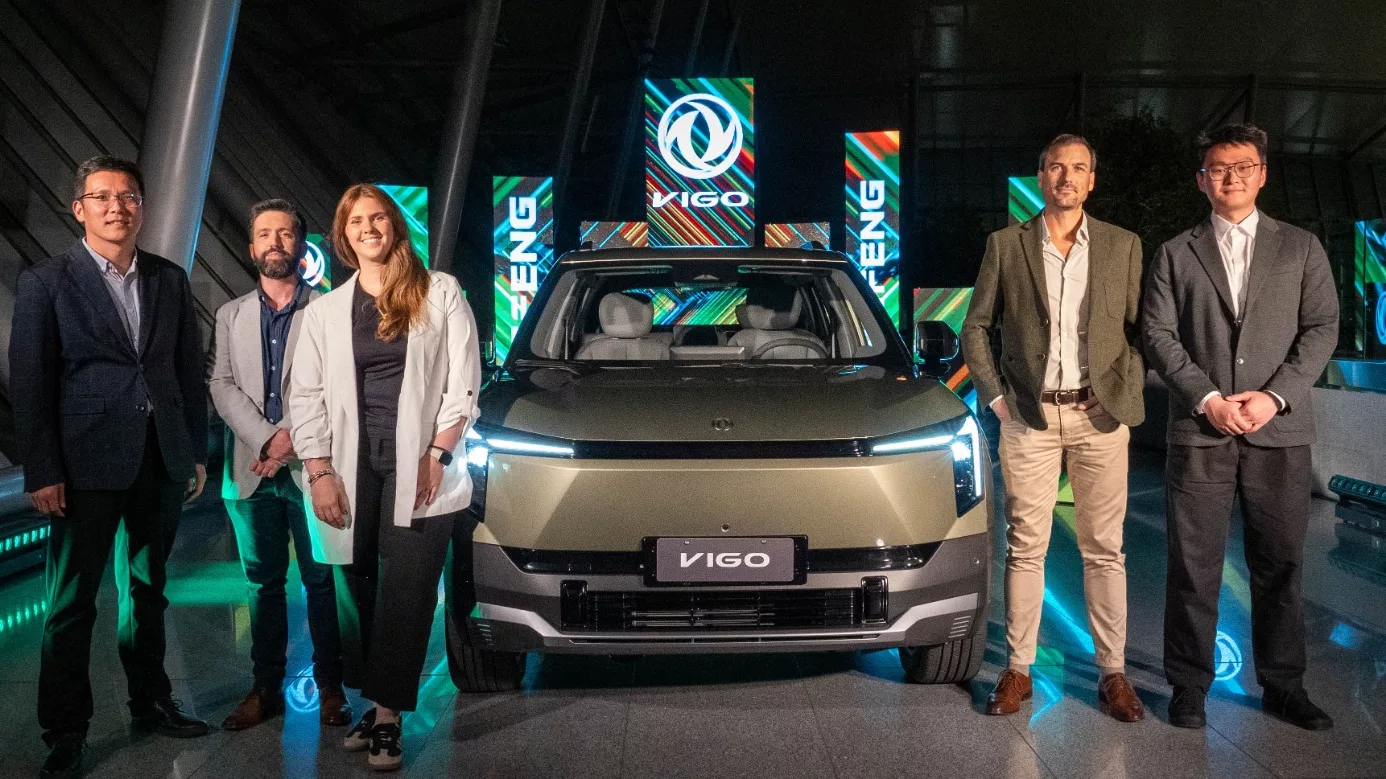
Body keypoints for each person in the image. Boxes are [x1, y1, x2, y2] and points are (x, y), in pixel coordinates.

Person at [10, 156, 210, 779]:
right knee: (71, 603)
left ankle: (150, 701)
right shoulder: (46, 282)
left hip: (160, 458)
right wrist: (42, 468)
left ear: (142, 207)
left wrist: (193, 450)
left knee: (148, 591)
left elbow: (186, 371)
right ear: (80, 209)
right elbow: (30, 383)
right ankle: (65, 730)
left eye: (128, 196)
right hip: (82, 464)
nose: (116, 207)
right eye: (102, 197)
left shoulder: (169, 279)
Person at [1143, 124, 1339, 731]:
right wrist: (1206, 399)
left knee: (1281, 564)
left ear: (1262, 174)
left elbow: (1322, 327)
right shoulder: (1175, 252)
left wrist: (1275, 397)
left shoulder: (1301, 246)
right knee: (1193, 566)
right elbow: (1157, 334)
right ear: (1201, 180)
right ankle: (1188, 686)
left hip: (1278, 431)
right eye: (1219, 168)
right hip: (1200, 431)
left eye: (1243, 166)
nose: (1231, 177)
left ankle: (1284, 686)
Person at [288, 184, 481, 771]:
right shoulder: (324, 311)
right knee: (355, 582)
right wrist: (318, 470)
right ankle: (375, 702)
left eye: (377, 218)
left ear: (395, 225)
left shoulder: (439, 290)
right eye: (355, 222)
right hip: (348, 461)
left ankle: (389, 716)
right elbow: (306, 395)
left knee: (408, 586)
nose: (368, 228)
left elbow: (463, 380)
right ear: (343, 236)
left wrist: (438, 454)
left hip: (421, 459)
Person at [961, 134, 1146, 721]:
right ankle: (1018, 669)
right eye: (1056, 167)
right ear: (1041, 177)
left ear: (1092, 180)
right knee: (1025, 547)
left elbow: (1142, 328)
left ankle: (1113, 673)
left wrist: (1124, 388)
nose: (1067, 177)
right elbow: (975, 326)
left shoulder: (1123, 244)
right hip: (1029, 416)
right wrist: (995, 398)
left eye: (1078, 168)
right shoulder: (1006, 244)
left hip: (1100, 416)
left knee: (1105, 549)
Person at [209, 199, 351, 731]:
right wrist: (268, 440)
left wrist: (291, 439)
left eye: (285, 233)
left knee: (322, 581)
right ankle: (264, 688)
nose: (275, 241)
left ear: (301, 244)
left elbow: (337, 384)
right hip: (250, 470)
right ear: (252, 248)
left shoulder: (329, 309)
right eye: (265, 233)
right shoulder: (229, 315)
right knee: (262, 585)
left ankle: (332, 686)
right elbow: (221, 385)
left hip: (313, 469)